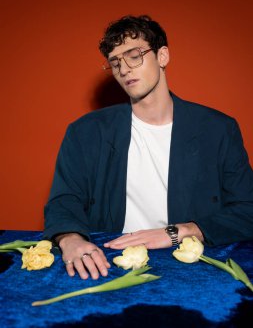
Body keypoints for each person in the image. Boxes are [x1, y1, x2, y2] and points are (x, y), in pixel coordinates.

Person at [43, 15, 253, 281]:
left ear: (162, 56)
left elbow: (248, 208)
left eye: (134, 55)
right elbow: (64, 199)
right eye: (115, 62)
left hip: (191, 266)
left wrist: (181, 232)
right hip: (108, 260)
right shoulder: (86, 131)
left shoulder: (217, 129)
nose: (124, 69)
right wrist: (70, 238)